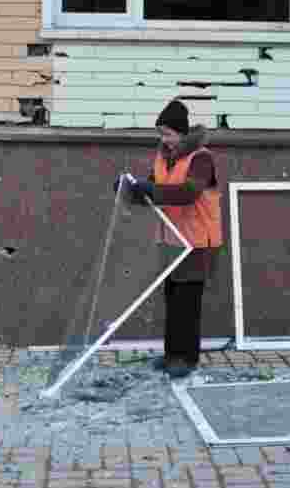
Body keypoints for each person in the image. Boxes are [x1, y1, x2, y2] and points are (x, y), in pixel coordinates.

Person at [118, 99, 223, 379]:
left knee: (188, 303)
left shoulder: (201, 159)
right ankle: (171, 355)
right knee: (173, 299)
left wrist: (149, 188)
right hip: (172, 240)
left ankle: (186, 359)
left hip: (198, 243)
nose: (163, 139)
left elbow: (188, 193)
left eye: (168, 134)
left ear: (182, 133)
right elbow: (153, 193)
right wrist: (129, 190)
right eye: (160, 134)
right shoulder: (164, 157)